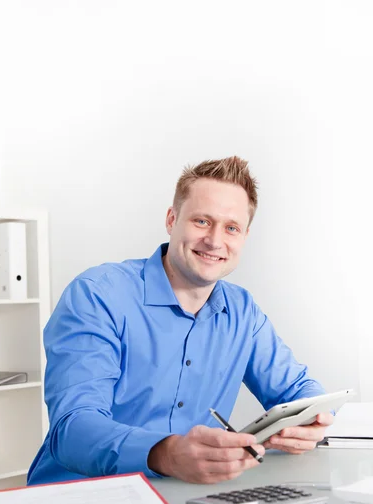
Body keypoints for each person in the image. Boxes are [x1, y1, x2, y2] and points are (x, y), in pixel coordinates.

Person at [28, 156, 333, 486]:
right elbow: (72, 429)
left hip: (184, 499)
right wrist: (167, 453)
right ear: (172, 220)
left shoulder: (242, 311)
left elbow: (301, 391)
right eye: (202, 221)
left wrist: (311, 424)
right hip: (77, 497)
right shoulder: (97, 296)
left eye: (231, 228)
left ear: (244, 236)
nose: (215, 241)